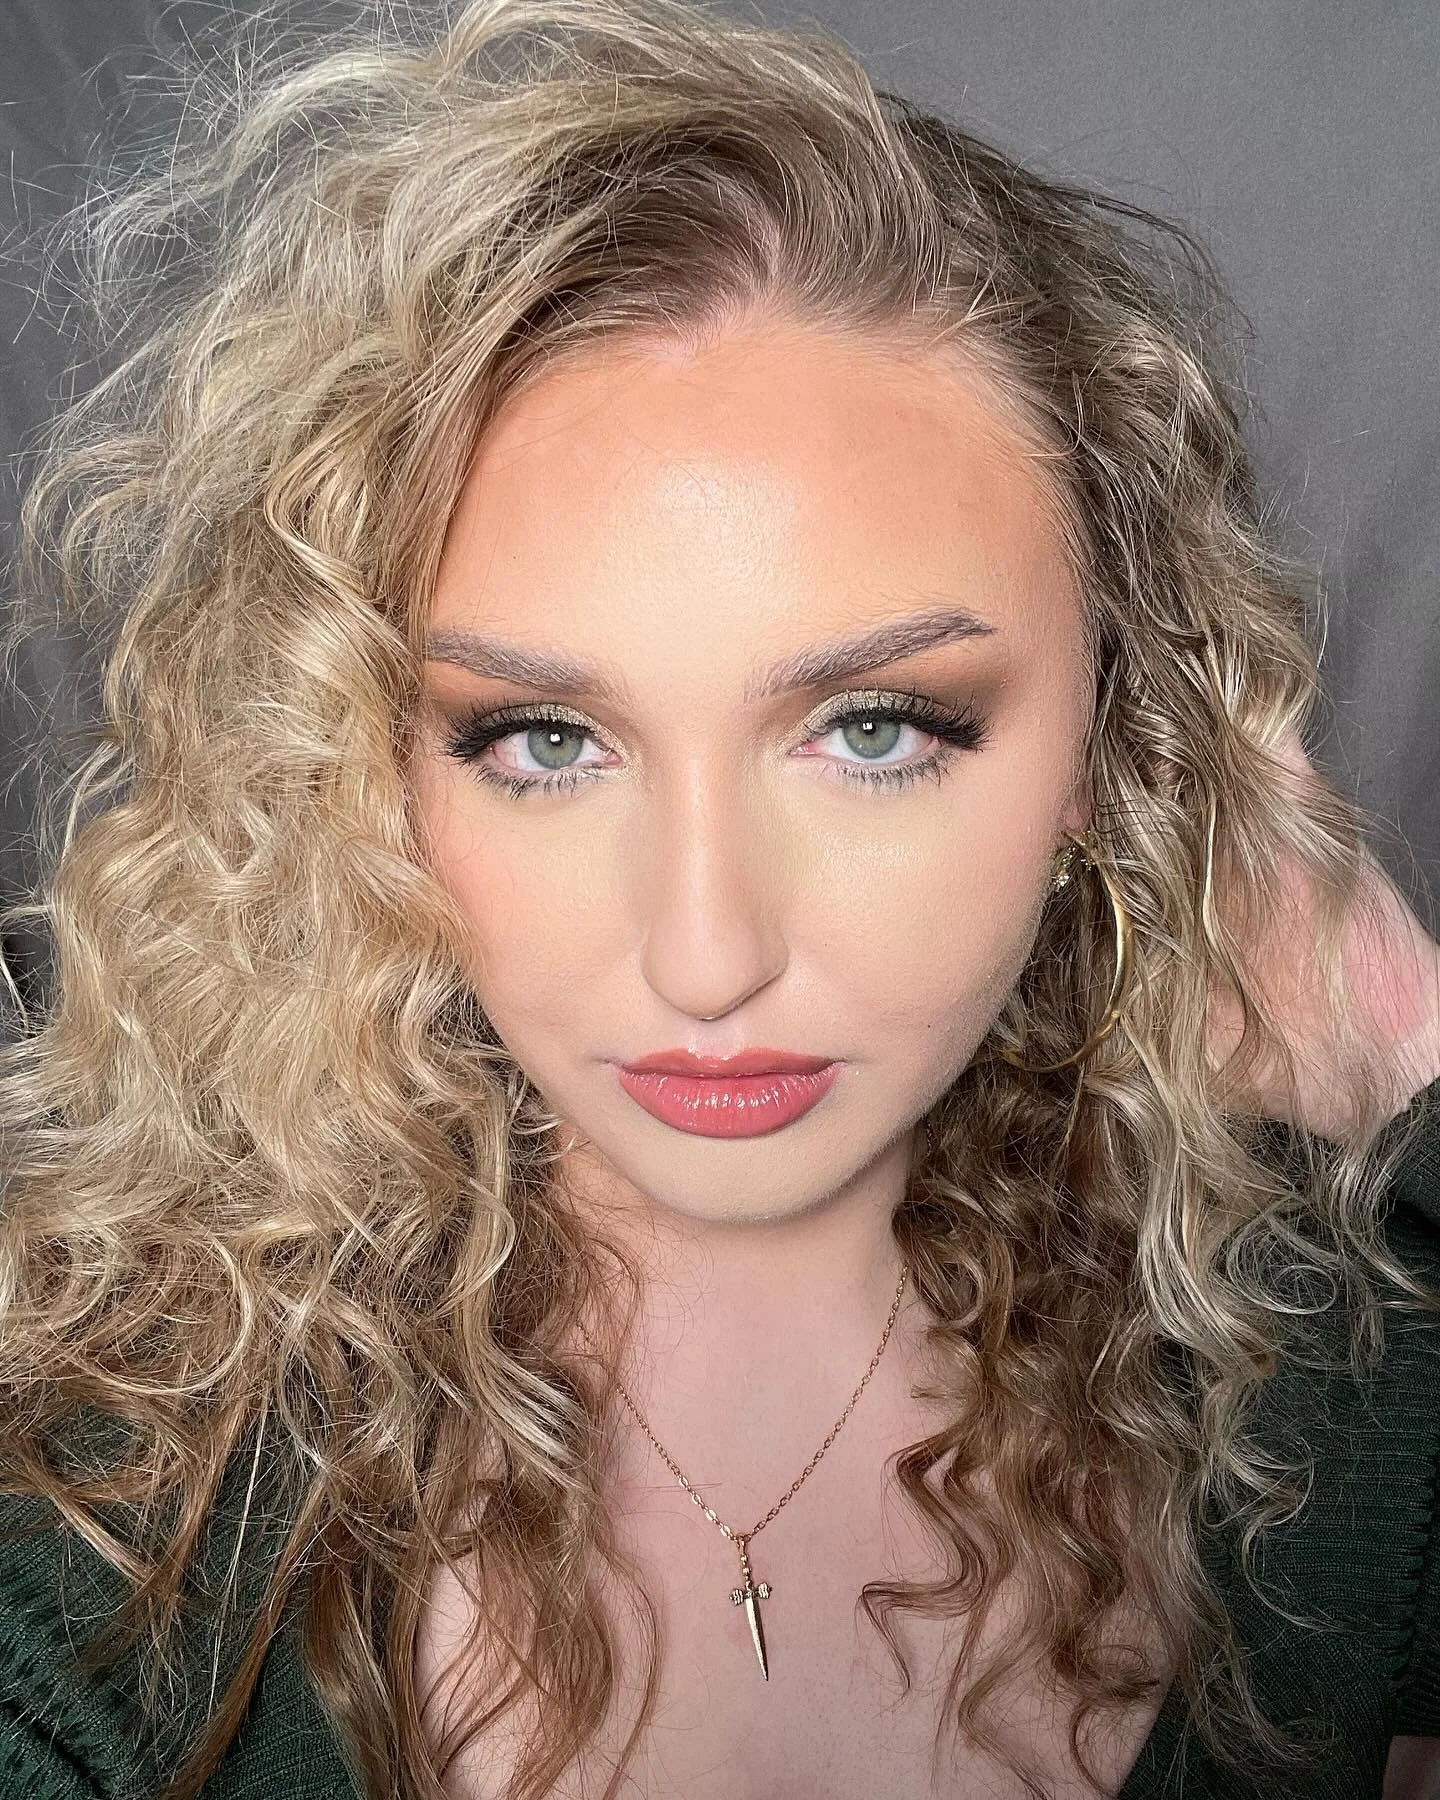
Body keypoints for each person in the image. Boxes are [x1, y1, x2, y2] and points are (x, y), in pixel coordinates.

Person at [0, 1, 1437, 1796]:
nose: (705, 953)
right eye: (540, 741)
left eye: (874, 729)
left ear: (1111, 742)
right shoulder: (108, 1516)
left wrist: (1402, 1037)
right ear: (363, 765)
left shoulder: (1338, 1377)